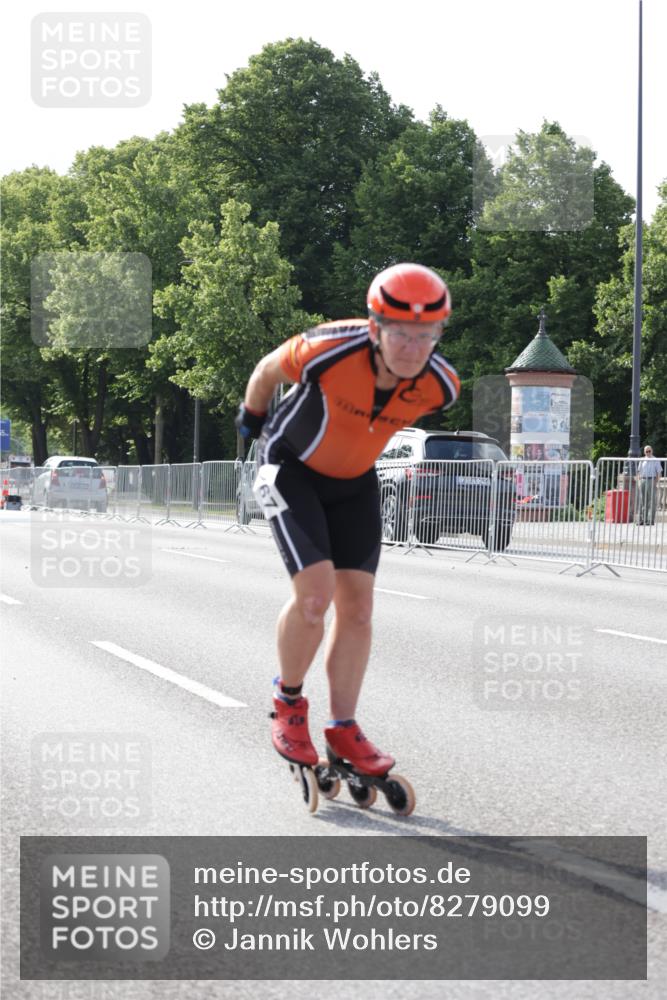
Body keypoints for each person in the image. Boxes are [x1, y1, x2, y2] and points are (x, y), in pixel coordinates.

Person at [235, 263, 460, 776]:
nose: (412, 347)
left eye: (427, 335)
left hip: (355, 484)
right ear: (376, 328)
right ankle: (289, 703)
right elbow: (268, 369)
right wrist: (251, 416)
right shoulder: (329, 348)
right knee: (314, 596)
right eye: (401, 333)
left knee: (357, 609)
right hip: (287, 469)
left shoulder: (440, 386)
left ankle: (343, 726)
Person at [635, 445, 663, 525]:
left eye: (649, 451)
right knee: (642, 501)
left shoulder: (655, 460)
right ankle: (641, 520)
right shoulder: (642, 460)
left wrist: (656, 482)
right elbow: (638, 472)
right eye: (646, 451)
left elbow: (659, 472)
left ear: (652, 451)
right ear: (644, 452)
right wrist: (639, 482)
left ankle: (650, 520)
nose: (648, 453)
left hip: (651, 479)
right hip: (643, 480)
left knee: (651, 501)